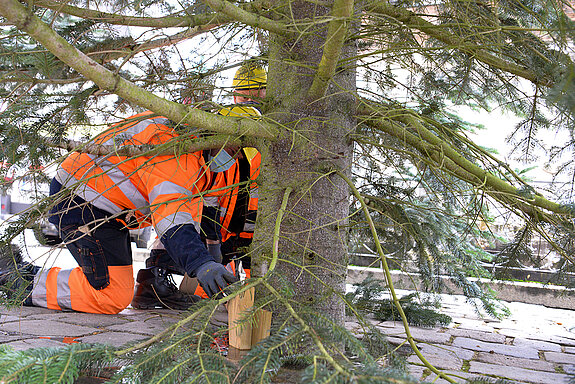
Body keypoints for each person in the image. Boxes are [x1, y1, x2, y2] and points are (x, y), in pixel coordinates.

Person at [0, 110, 239, 314]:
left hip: (107, 207)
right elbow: (172, 216)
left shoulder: (197, 153)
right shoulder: (176, 151)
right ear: (216, 132)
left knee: (187, 215)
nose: (235, 156)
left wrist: (212, 247)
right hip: (82, 201)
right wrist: (201, 263)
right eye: (233, 148)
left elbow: (193, 208)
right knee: (110, 295)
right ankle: (18, 281)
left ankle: (154, 284)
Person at [132, 62, 266, 307]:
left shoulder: (257, 149)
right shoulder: (204, 157)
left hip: (241, 235)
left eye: (257, 92)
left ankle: (163, 284)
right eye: (246, 93)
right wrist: (210, 250)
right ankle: (157, 281)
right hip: (217, 232)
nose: (251, 98)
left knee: (216, 290)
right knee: (181, 217)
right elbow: (203, 204)